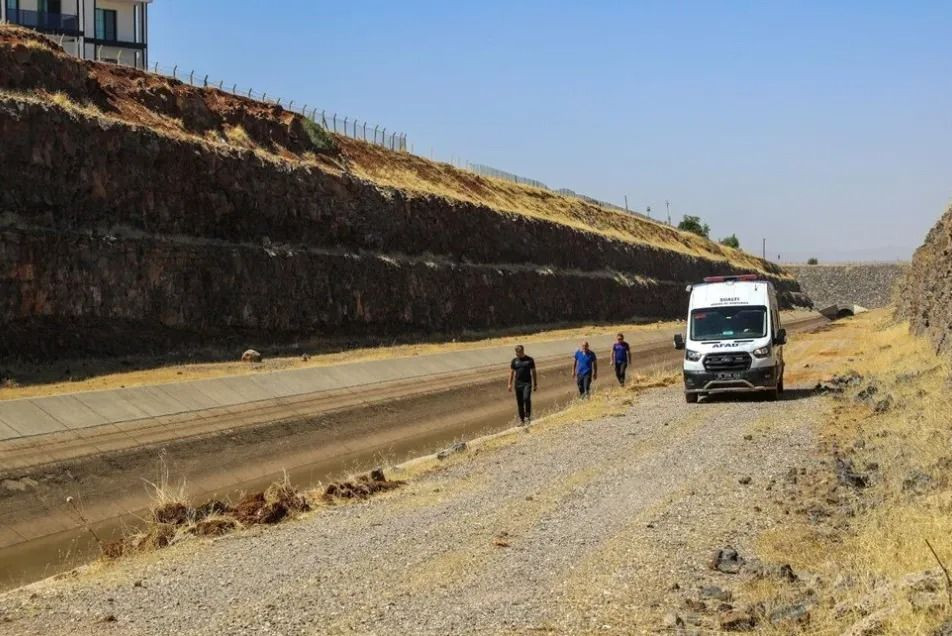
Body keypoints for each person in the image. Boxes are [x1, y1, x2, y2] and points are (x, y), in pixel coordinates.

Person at [508, 345, 537, 425]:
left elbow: (534, 372)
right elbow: (511, 373)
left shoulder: (530, 360)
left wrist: (535, 384)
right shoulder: (514, 361)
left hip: (527, 383)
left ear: (522, 351)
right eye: (516, 352)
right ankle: (522, 420)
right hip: (518, 384)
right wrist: (509, 384)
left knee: (526, 398)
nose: (516, 354)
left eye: (517, 352)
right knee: (520, 403)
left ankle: (527, 416)